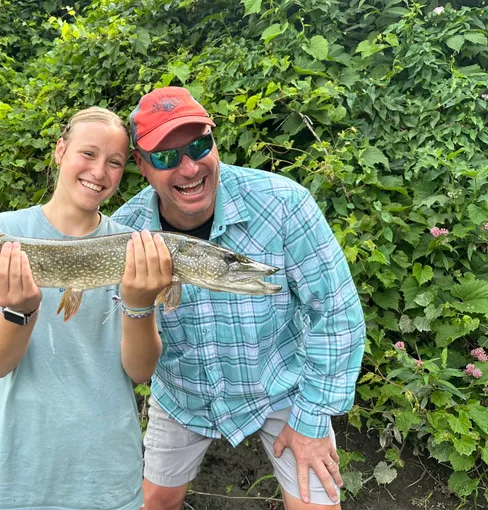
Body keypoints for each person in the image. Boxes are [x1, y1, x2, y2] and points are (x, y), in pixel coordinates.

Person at [111, 87, 366, 510]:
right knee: (154, 502)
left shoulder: (284, 204)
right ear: (141, 165)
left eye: (198, 145)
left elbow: (336, 314)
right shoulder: (123, 234)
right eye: (165, 156)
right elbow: (124, 357)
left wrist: (312, 420)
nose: (189, 167)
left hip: (280, 388)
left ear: (215, 140)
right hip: (182, 395)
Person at [0, 107, 172, 510]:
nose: (99, 172)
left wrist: (139, 304)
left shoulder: (139, 248)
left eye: (115, 162)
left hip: (107, 475)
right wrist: (20, 313)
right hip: (17, 475)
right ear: (60, 151)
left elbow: (140, 372)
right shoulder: (0, 231)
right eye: (88, 154)